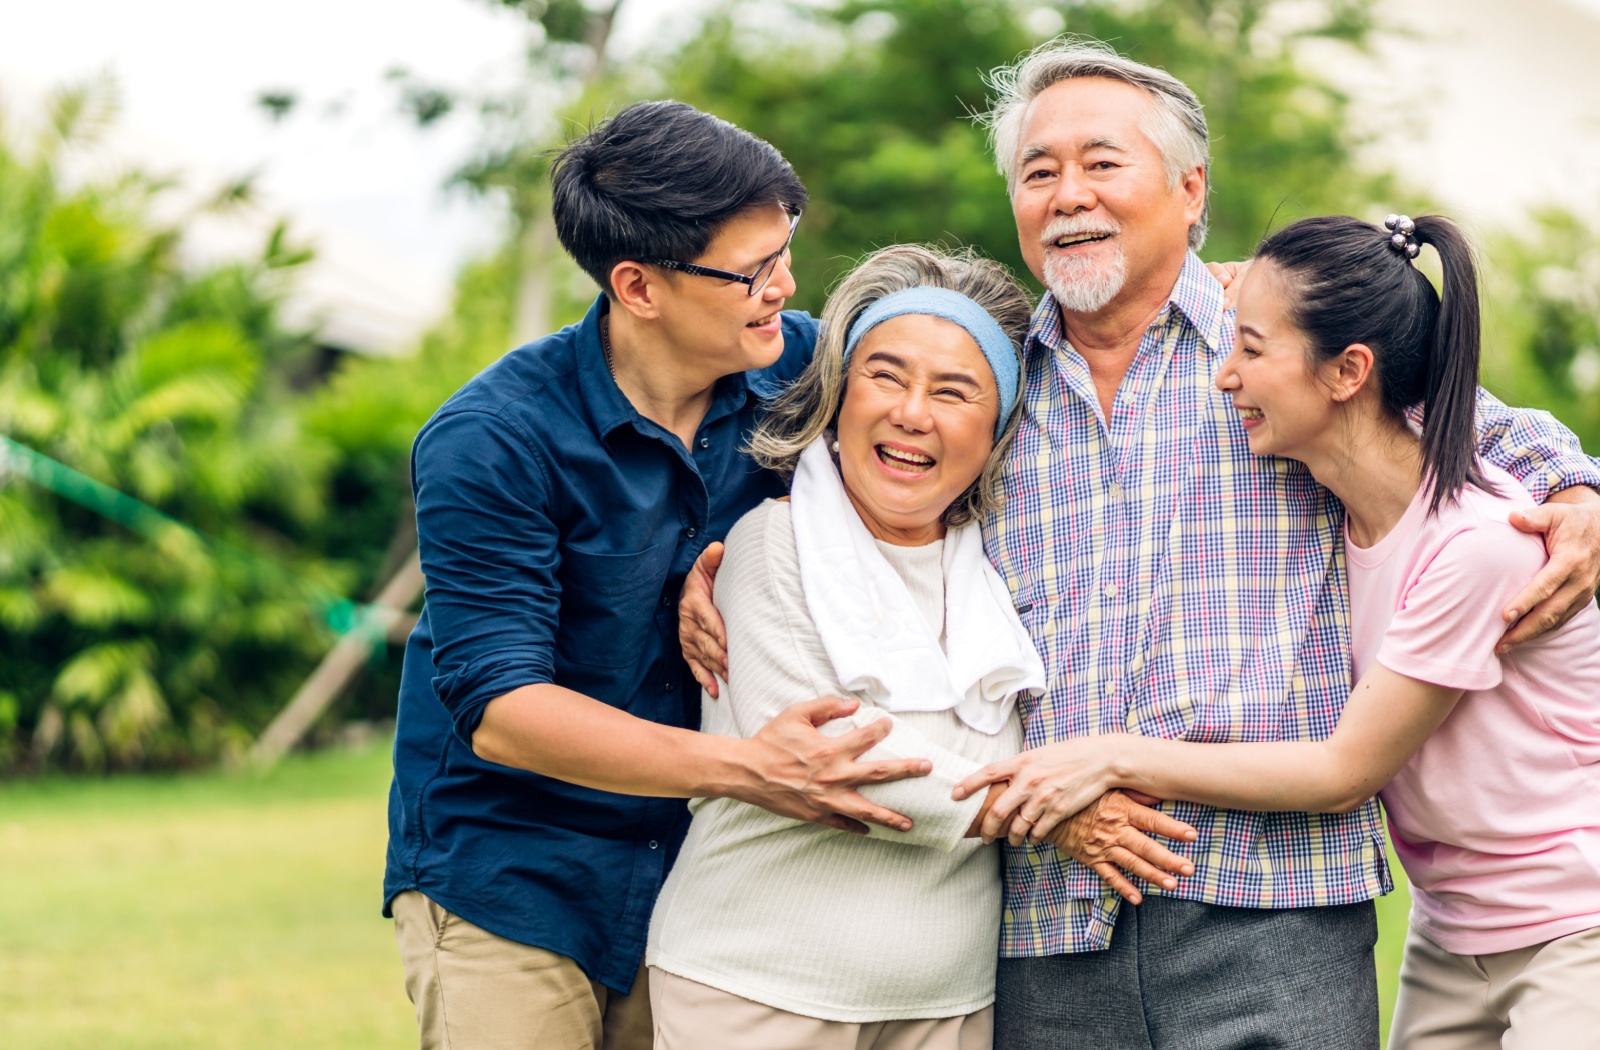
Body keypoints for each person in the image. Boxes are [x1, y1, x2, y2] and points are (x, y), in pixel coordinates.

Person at [680, 40, 1600, 1049]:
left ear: (1189, 186)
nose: (1067, 193)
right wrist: (708, 555)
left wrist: (1577, 485)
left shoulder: (1271, 356)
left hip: (1273, 904)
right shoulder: (985, 386)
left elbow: (1465, 420)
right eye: (1038, 172)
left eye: (1101, 162)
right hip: (1046, 916)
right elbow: (846, 477)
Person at [956, 212, 1600, 1048]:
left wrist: (1108, 756)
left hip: (1575, 919)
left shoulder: (1484, 545)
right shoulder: (1336, 513)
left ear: (1347, 373)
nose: (1223, 379)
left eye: (1249, 352)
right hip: (1457, 929)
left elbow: (1341, 771)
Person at [382, 101, 939, 1050]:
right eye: (753, 271)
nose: (785, 287)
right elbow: (505, 710)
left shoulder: (801, 367)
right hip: (513, 866)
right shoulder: (492, 441)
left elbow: (972, 358)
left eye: (786, 253)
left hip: (697, 875)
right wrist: (754, 771)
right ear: (637, 286)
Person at [646, 244, 1199, 1050]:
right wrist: (1054, 816)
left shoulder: (1007, 561)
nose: (913, 412)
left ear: (1000, 423)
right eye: (886, 376)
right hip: (755, 986)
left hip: (949, 1004)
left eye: (954, 391)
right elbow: (834, 749)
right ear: (839, 393)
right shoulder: (774, 542)